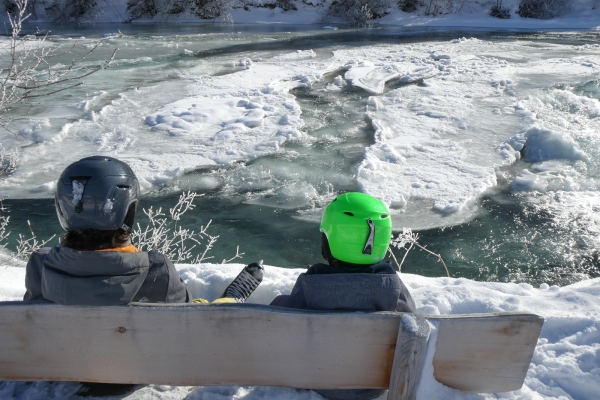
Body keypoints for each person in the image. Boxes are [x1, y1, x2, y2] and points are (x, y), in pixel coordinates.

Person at [24, 155, 263, 306]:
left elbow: (32, 318)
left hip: (63, 363)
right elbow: (188, 323)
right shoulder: (154, 269)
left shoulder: (40, 263)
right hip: (134, 366)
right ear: (126, 211)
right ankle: (231, 300)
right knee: (206, 308)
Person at [270, 192, 415, 400]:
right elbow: (412, 323)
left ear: (328, 243)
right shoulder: (394, 290)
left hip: (318, 383)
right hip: (372, 387)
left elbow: (275, 320)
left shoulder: (311, 286)